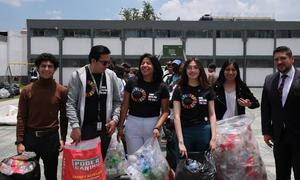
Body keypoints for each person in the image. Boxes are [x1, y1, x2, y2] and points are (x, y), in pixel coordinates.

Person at [16, 53, 68, 180]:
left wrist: (62, 138)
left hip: (51, 139)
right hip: (30, 139)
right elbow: (21, 117)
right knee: (30, 174)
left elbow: (64, 117)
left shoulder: (61, 90)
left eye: (50, 66)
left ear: (54, 69)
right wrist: (20, 141)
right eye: (43, 66)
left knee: (51, 175)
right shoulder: (27, 90)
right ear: (38, 68)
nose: (46, 69)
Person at [66, 45, 121, 159]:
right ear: (93, 61)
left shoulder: (111, 76)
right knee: (86, 165)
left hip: (105, 130)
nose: (107, 66)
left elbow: (117, 101)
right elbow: (70, 104)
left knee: (100, 165)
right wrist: (75, 126)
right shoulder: (78, 76)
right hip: (85, 130)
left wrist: (115, 119)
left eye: (108, 62)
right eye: (104, 63)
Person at [117, 53, 169, 155]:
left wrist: (157, 127)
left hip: (153, 124)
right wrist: (120, 126)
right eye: (142, 63)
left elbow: (165, 111)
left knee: (150, 162)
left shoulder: (162, 86)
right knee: (134, 158)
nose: (144, 65)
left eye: (148, 63)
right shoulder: (132, 82)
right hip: (133, 123)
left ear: (154, 66)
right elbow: (125, 106)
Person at [261, 46, 300, 180]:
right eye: (276, 59)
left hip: (298, 136)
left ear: (292, 59)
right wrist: (266, 131)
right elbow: (265, 108)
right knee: (282, 175)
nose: (279, 62)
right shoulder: (269, 80)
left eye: (283, 58)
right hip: (279, 137)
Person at [172, 59, 217, 159]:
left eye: (195, 67)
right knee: (184, 166)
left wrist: (213, 138)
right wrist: (180, 142)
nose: (192, 70)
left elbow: (212, 114)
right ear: (185, 70)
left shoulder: (207, 89)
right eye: (189, 68)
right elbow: (176, 116)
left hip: (203, 131)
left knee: (203, 167)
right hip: (184, 132)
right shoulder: (179, 89)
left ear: (200, 70)